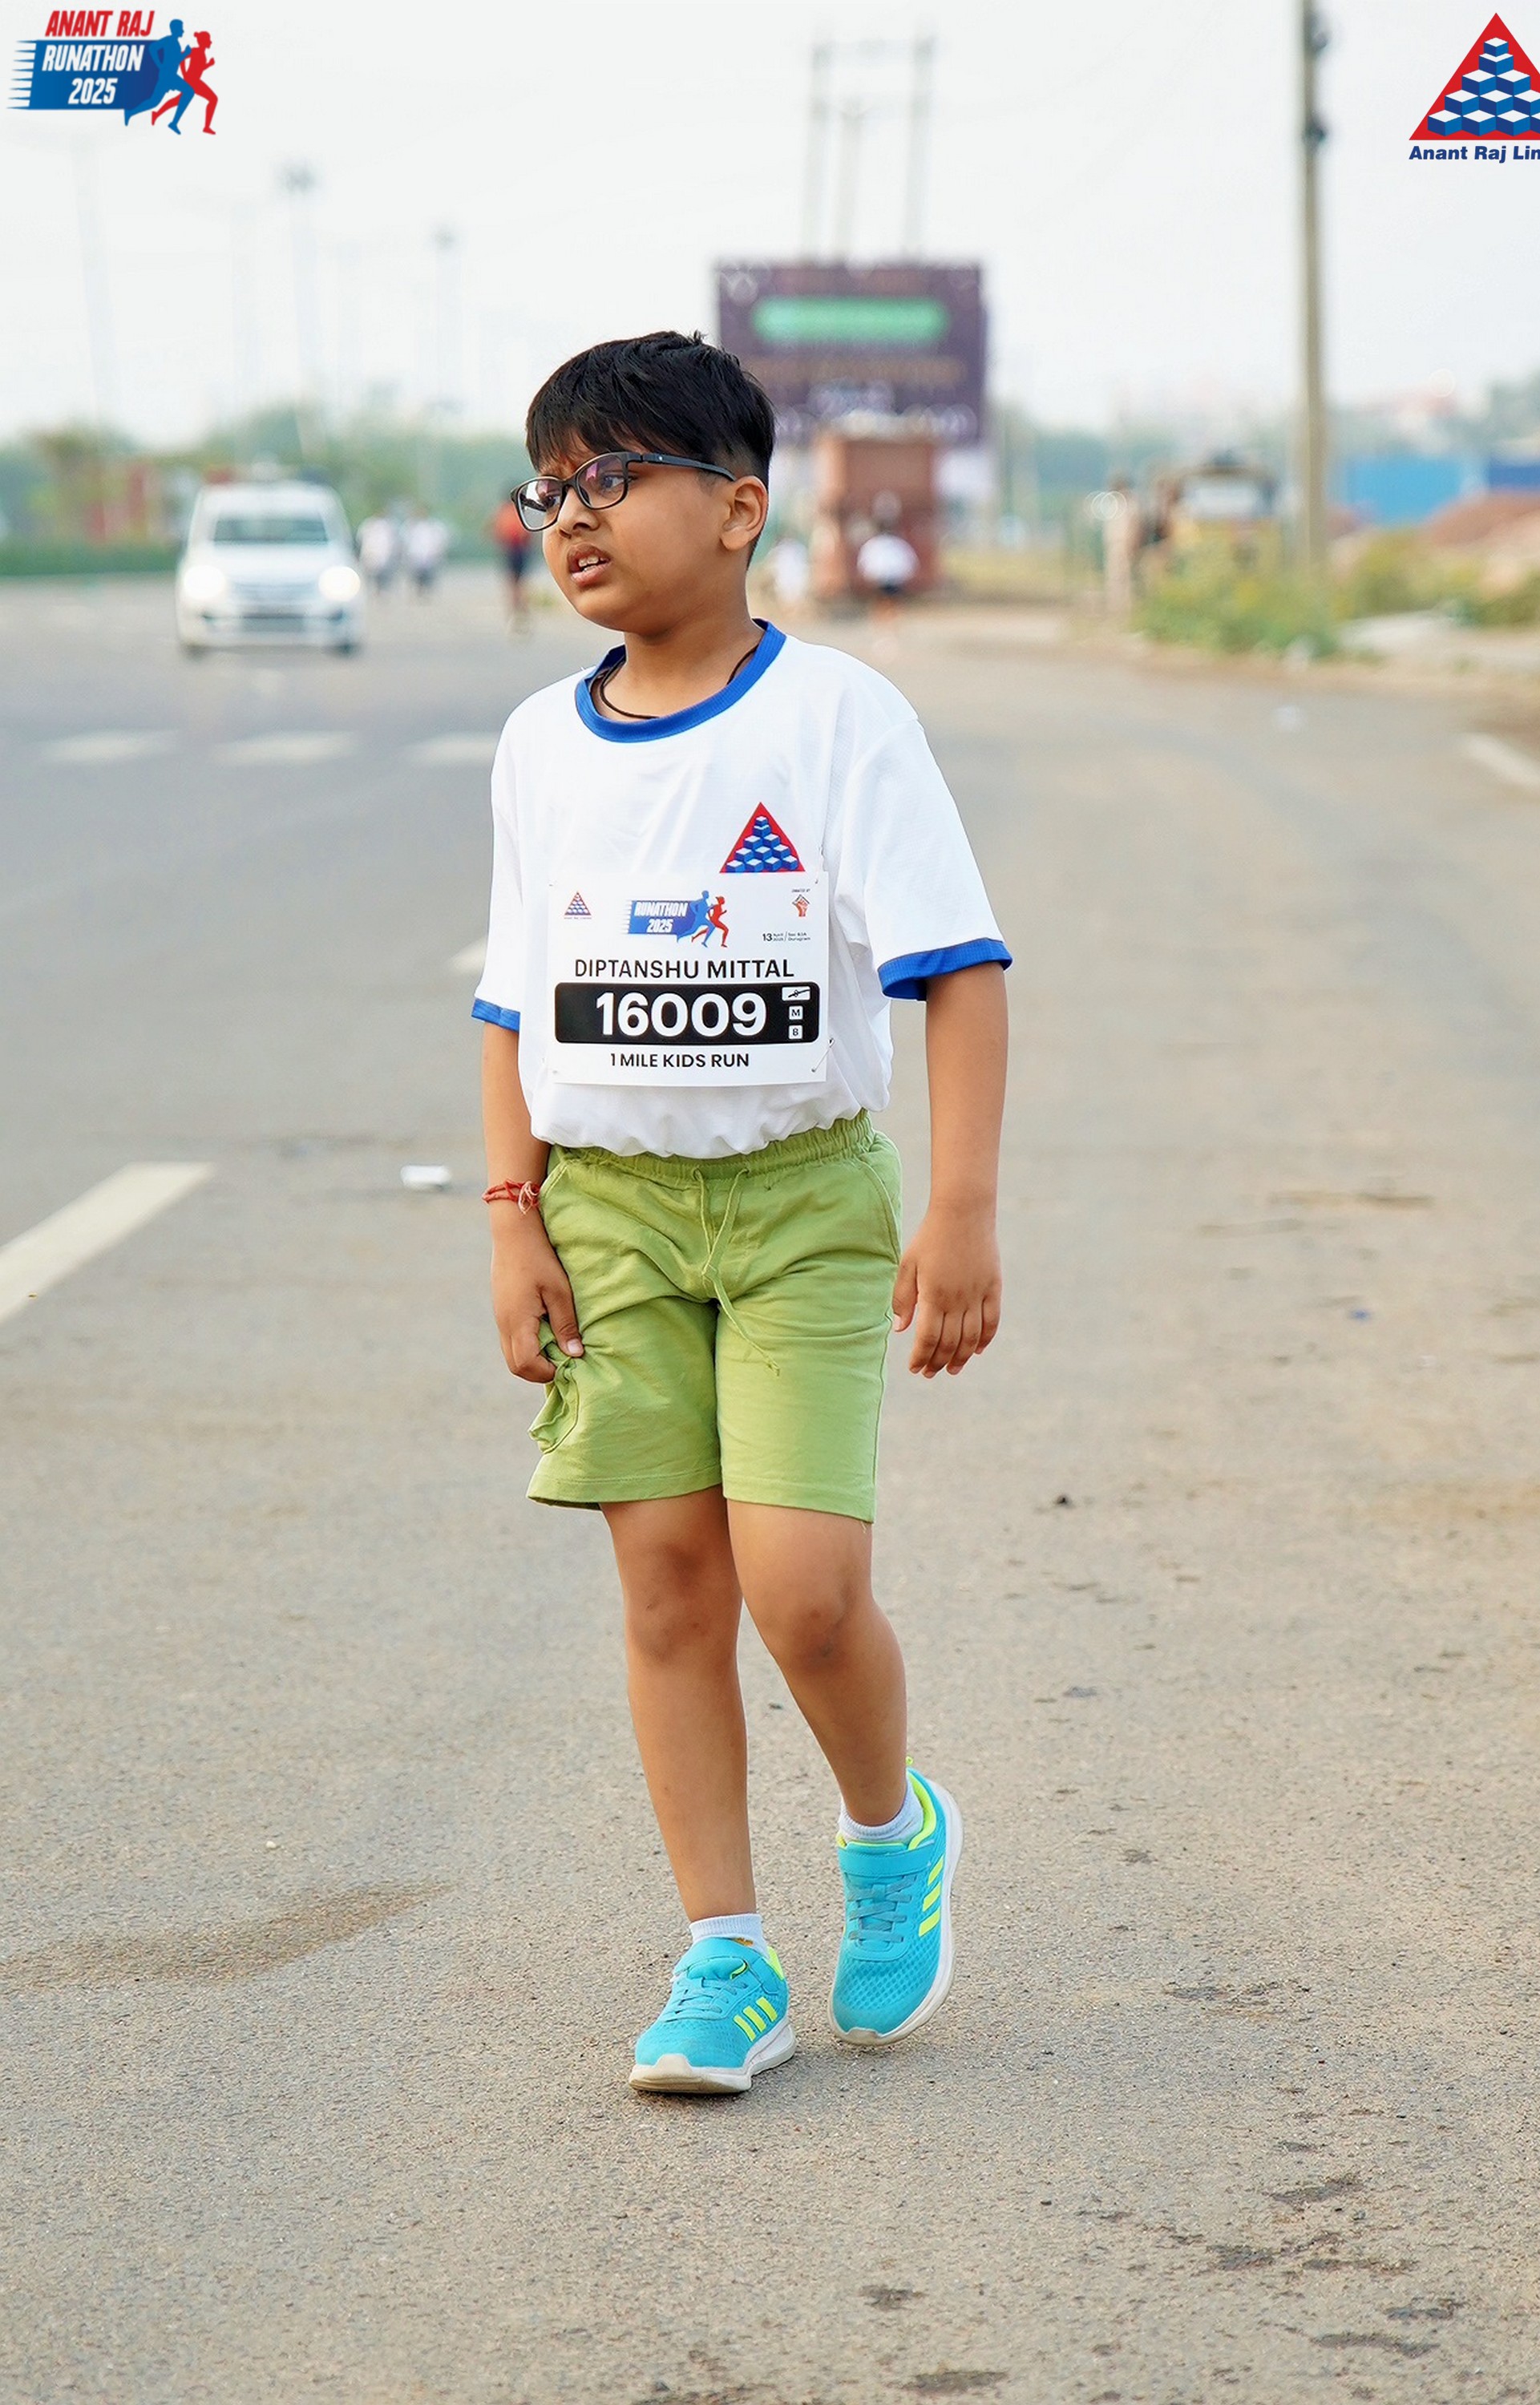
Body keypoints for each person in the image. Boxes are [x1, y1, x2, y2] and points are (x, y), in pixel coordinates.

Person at [474, 330, 1010, 2096]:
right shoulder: (539, 746)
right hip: (613, 1213)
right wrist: (513, 1216)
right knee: (666, 1590)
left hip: (799, 1203)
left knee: (806, 1594)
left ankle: (890, 1835)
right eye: (552, 488)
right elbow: (510, 1005)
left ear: (740, 507)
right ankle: (724, 1957)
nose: (573, 517)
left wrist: (958, 1211)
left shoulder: (836, 719)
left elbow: (958, 972)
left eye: (615, 478)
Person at [489, 495, 536, 623]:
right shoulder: (521, 511)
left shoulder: (503, 512)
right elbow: (528, 533)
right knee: (522, 582)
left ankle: (515, 609)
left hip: (511, 549)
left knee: (512, 581)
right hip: (521, 549)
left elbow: (495, 531)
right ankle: (522, 609)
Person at [403, 508, 450, 596]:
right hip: (416, 555)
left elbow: (440, 539)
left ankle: (427, 591)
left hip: (429, 555)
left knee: (428, 576)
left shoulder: (433, 526)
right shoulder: (412, 526)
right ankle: (419, 590)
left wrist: (438, 551)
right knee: (417, 576)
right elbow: (407, 540)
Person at [356, 511, 398, 596]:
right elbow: (360, 539)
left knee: (381, 577)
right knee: (370, 577)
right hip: (370, 554)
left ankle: (380, 592)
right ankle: (371, 593)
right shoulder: (368, 524)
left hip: (382, 555)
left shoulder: (387, 526)